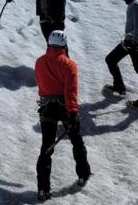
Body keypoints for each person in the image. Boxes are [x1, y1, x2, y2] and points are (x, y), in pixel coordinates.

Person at [34, 30, 91, 202]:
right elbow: (71, 91)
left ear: (49, 44)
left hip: (46, 108)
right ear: (64, 45)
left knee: (47, 147)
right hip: (65, 108)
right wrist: (72, 112)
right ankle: (83, 174)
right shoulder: (69, 64)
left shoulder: (39, 62)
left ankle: (43, 189)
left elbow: (40, 83)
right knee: (76, 141)